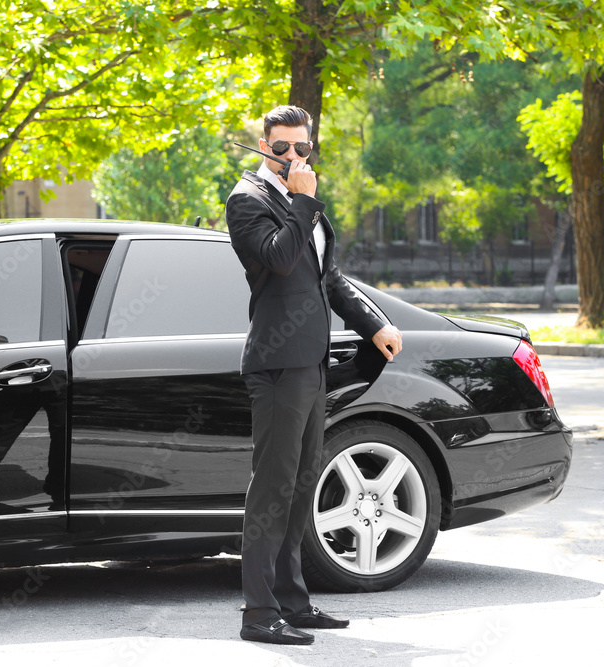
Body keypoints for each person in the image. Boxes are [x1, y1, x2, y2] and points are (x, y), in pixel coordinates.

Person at [225, 105, 403, 645]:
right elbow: (280, 261)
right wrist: (303, 198)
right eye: (282, 148)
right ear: (264, 146)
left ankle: (293, 602)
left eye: (303, 148)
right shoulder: (246, 201)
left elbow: (328, 278)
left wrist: (374, 323)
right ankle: (258, 614)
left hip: (310, 364)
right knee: (272, 490)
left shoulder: (305, 207)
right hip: (276, 365)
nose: (293, 157)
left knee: (302, 487)